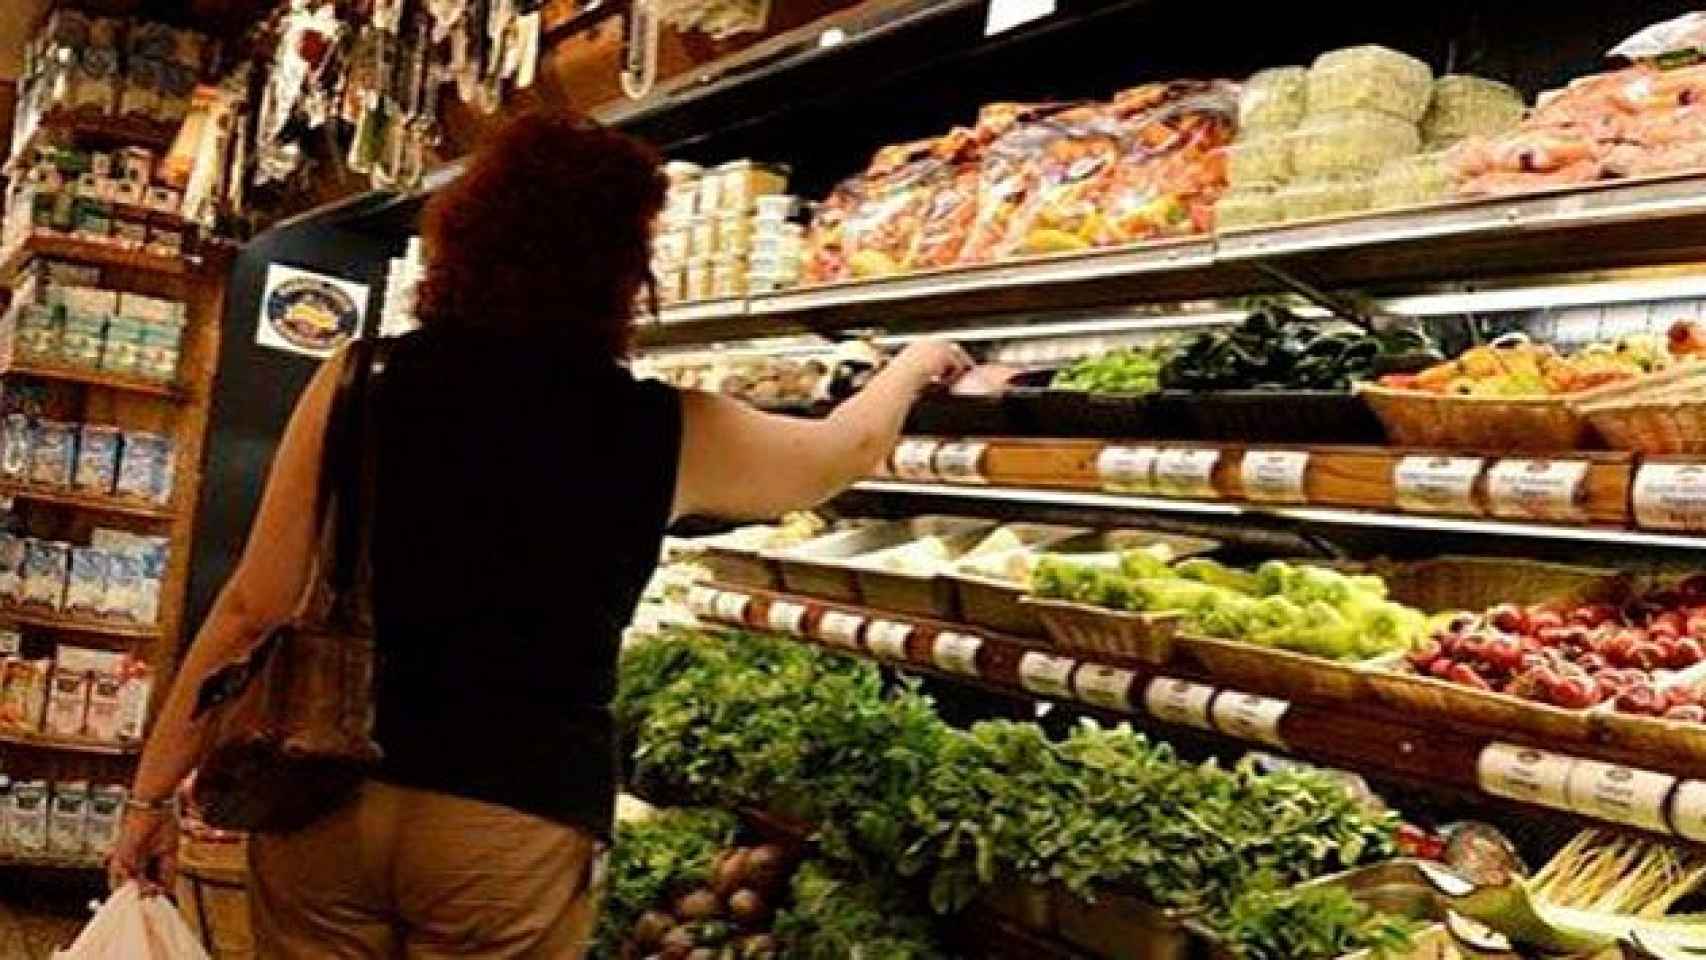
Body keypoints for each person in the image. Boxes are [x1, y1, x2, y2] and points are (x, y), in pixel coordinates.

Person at [108, 109, 971, 958]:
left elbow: (252, 608)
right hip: (517, 817)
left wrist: (150, 800)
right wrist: (913, 366)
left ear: (462, 239)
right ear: (625, 271)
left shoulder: (361, 378)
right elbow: (835, 456)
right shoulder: (666, 427)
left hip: (329, 791)